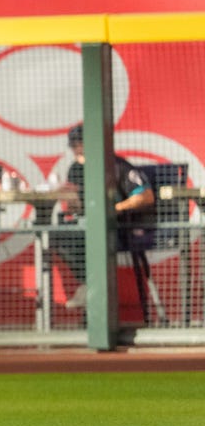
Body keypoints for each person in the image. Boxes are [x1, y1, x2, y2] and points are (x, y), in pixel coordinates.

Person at [53, 123, 154, 309]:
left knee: (86, 235)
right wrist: (70, 197)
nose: (77, 149)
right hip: (86, 224)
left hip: (117, 226)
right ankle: (89, 283)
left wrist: (116, 208)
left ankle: (93, 288)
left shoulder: (117, 166)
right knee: (57, 235)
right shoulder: (75, 169)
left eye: (80, 143)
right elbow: (80, 205)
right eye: (73, 145)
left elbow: (146, 196)